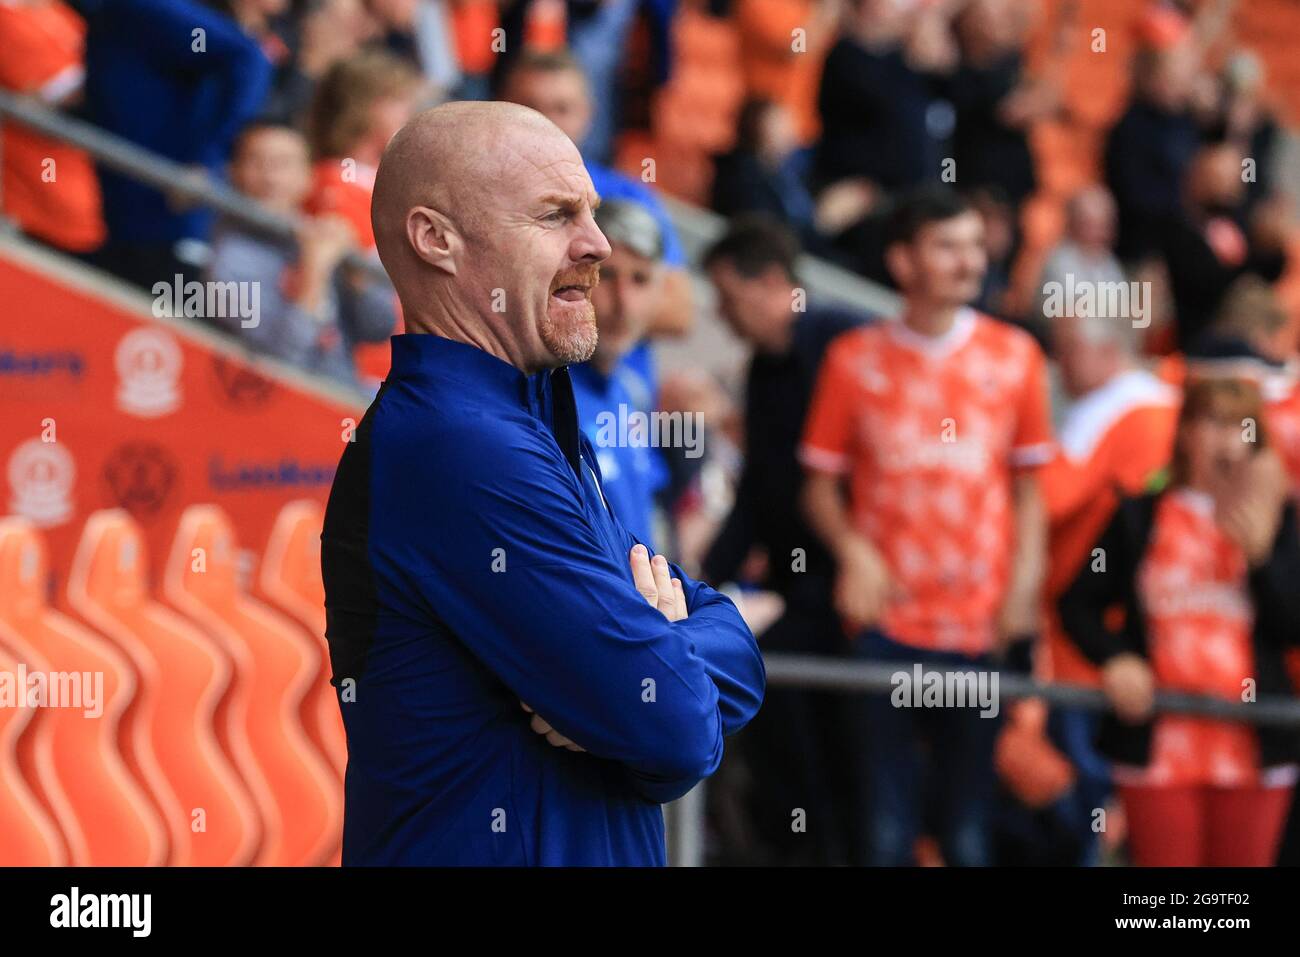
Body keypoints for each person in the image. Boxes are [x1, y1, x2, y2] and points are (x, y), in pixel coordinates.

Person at [320, 100, 765, 866]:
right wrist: (650, 675)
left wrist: (652, 660)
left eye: (589, 210)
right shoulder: (460, 446)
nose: (595, 244)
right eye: (557, 215)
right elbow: (679, 728)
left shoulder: (525, 423)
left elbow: (728, 659)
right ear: (436, 240)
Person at [800, 186, 1052, 866]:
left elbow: (1031, 491)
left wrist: (1024, 587)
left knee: (969, 832)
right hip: (884, 626)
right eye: (947, 245)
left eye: (975, 244)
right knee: (883, 829)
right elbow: (818, 485)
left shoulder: (1016, 355)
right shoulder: (853, 359)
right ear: (903, 261)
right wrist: (852, 549)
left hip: (978, 624)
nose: (969, 260)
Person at [1058, 377, 1300, 867]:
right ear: (1186, 431)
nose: (1228, 439)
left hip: (1253, 744)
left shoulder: (1279, 521)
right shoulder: (1137, 518)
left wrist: (1260, 561)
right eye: (1213, 422)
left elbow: (1290, 628)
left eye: (1242, 426)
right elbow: (1077, 603)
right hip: (1160, 740)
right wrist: (1117, 658)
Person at [701, 214, 869, 864]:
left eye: (728, 295)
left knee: (853, 762)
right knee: (792, 745)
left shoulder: (844, 345)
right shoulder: (764, 373)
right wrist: (701, 575)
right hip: (801, 594)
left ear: (771, 282)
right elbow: (757, 496)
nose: (720, 313)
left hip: (856, 593)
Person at [1035, 310, 1180, 864]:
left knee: (1089, 802)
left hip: (1089, 646)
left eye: (1067, 348)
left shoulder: (1109, 410)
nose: (1058, 363)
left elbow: (1046, 499)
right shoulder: (1166, 406)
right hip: (1154, 641)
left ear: (1105, 349)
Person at [80, 0, 272, 289]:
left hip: (163, 228)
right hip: (111, 218)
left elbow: (248, 57)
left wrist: (209, 160)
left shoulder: (146, 8)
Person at [205, 122, 398, 388]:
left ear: (308, 177)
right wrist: (314, 270)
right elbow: (282, 366)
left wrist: (357, 277)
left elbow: (377, 329)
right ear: (234, 172)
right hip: (289, 409)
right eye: (256, 162)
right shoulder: (228, 262)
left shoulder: (321, 236)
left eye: (283, 164)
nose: (270, 177)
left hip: (348, 396)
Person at [305, 49, 425, 384]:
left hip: (400, 360)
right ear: (365, 106)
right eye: (398, 101)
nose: (410, 113)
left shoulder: (394, 183)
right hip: (359, 367)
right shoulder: (331, 181)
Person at [568, 200, 672, 548]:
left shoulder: (633, 393)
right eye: (607, 275)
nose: (623, 302)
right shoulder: (540, 393)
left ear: (660, 293)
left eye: (640, 280)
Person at [0, 0, 105, 256]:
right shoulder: (7, 17)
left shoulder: (69, 19)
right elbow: (55, 93)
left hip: (77, 212)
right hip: (22, 205)